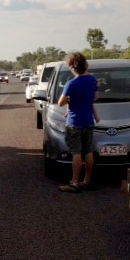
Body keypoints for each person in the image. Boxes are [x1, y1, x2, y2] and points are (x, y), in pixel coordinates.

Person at [58, 52, 100, 193]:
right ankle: (86, 181)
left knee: (76, 153)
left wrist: (69, 99)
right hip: (88, 121)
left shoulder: (72, 83)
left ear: (72, 67)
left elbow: (60, 103)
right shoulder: (93, 80)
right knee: (88, 151)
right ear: (85, 64)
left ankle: (74, 183)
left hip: (74, 122)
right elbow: (95, 96)